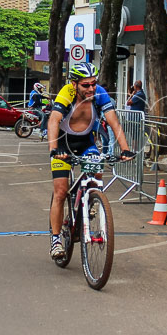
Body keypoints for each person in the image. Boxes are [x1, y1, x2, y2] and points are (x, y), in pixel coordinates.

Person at [47, 62, 134, 259]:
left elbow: (113, 121)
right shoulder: (66, 93)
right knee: (60, 191)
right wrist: (54, 149)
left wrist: (125, 149)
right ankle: (56, 239)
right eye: (86, 85)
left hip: (86, 141)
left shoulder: (99, 93)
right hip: (63, 143)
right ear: (74, 83)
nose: (91, 88)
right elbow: (53, 120)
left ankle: (91, 201)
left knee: (96, 173)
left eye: (94, 83)